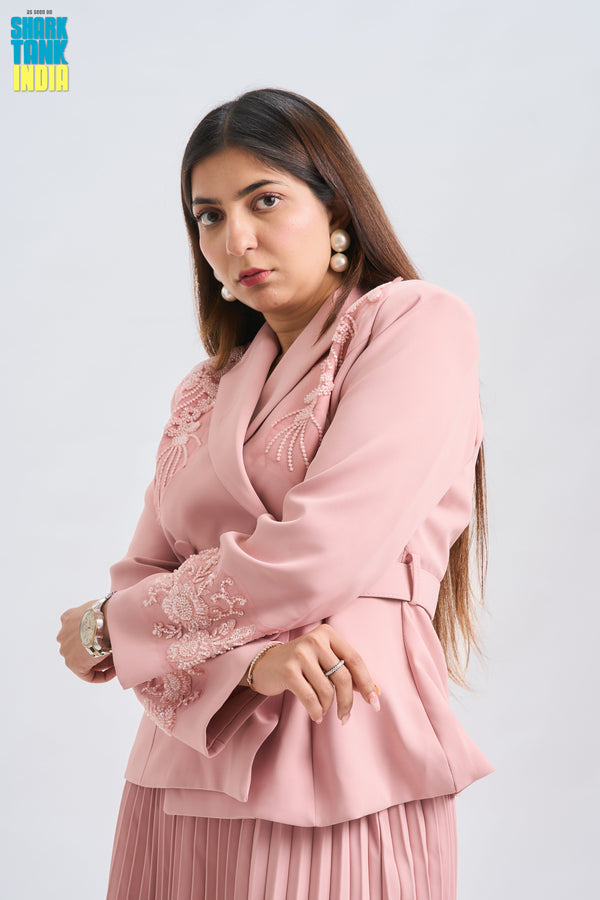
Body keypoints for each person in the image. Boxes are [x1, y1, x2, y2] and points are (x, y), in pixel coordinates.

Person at [57, 88, 493, 899]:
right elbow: (141, 570)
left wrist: (111, 628)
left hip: (342, 746)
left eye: (265, 201)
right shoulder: (204, 388)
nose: (236, 238)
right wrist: (249, 665)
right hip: (181, 766)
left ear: (336, 209)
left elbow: (317, 558)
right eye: (209, 216)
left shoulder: (416, 323)